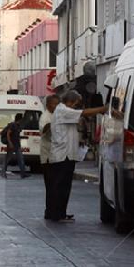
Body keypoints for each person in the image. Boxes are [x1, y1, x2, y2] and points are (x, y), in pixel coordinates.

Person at [49, 90, 107, 222]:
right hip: (62, 155)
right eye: (75, 104)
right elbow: (83, 113)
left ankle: (60, 212)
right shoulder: (63, 110)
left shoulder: (63, 111)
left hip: (67, 154)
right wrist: (103, 109)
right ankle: (57, 214)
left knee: (64, 186)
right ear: (69, 101)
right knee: (61, 186)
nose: (76, 106)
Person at [39, 94, 60, 219]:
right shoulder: (46, 116)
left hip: (55, 156)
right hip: (48, 157)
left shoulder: (55, 115)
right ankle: (50, 211)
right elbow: (44, 129)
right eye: (54, 104)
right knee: (51, 186)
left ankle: (54, 210)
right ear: (48, 105)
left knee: (55, 186)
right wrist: (52, 124)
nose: (56, 106)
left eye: (58, 104)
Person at [1, 113, 30, 179]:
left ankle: (23, 174)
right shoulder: (13, 125)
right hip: (12, 145)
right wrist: (10, 143)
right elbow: (8, 134)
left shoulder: (18, 125)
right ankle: (3, 173)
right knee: (7, 159)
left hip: (17, 145)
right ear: (20, 119)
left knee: (21, 159)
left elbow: (16, 135)